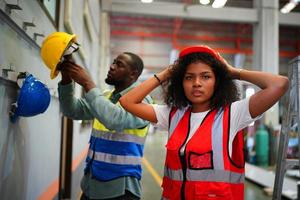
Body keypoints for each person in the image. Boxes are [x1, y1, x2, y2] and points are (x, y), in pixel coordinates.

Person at [119, 45, 289, 200]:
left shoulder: (233, 114)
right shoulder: (173, 115)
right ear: (181, 82)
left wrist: (233, 72)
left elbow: (280, 84)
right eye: (189, 77)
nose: (197, 83)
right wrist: (166, 74)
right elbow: (127, 101)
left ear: (218, 81)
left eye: (206, 76)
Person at [58, 52, 152, 200]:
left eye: (119, 65)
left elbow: (114, 119)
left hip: (120, 191)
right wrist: (66, 79)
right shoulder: (106, 97)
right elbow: (71, 110)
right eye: (113, 62)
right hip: (91, 185)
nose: (112, 66)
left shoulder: (142, 101)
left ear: (133, 74)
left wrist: (88, 83)